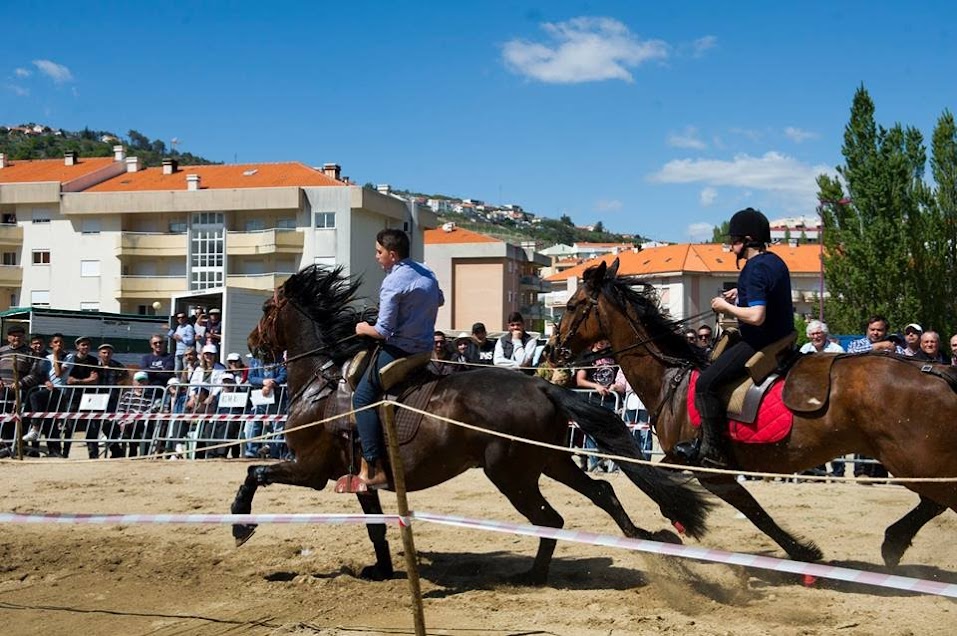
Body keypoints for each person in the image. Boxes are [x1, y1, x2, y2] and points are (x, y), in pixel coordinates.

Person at [680, 208, 794, 468]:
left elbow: (756, 316)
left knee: (706, 384)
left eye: (733, 241)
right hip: (783, 337)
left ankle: (713, 450)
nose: (731, 248)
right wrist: (738, 294)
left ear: (747, 240)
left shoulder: (753, 269)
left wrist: (724, 307)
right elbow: (767, 295)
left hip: (759, 342)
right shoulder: (775, 261)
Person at [351, 228, 443, 489]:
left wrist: (361, 328)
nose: (376, 256)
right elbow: (440, 300)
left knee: (362, 397)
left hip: (401, 350)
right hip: (425, 349)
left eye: (379, 252)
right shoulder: (427, 272)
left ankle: (374, 467)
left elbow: (382, 331)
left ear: (392, 254)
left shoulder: (393, 281)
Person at [574, 339, 618, 472]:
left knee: (612, 434)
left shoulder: (613, 354)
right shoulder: (586, 355)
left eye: (604, 340)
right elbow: (580, 380)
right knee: (593, 433)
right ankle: (595, 465)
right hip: (593, 399)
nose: (602, 343)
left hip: (612, 399)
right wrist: (595, 386)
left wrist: (616, 385)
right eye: (599, 340)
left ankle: (612, 465)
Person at [89, 343, 128, 459]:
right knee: (93, 428)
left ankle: (115, 451)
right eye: (104, 352)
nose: (106, 355)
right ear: (99, 354)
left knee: (111, 426)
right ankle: (93, 455)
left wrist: (118, 384)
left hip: (111, 399)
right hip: (96, 399)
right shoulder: (94, 365)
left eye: (109, 352)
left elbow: (125, 374)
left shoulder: (116, 365)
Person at [246, 353, 287, 459]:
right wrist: (263, 382)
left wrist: (272, 383)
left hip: (277, 398)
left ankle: (274, 453)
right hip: (259, 397)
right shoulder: (255, 360)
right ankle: (251, 452)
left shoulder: (279, 360)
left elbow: (284, 375)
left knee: (278, 427)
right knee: (254, 425)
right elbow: (251, 377)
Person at [0, 325, 33, 456]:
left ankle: (11, 447)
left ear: (24, 337)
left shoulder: (30, 353)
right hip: (2, 390)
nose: (16, 338)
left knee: (15, 419)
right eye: (14, 335)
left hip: (19, 392)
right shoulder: (1, 351)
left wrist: (20, 383)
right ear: (8, 337)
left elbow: (34, 374)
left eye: (19, 336)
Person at [613, 368, 652, 461]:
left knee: (645, 434)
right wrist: (615, 387)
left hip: (644, 403)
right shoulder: (623, 367)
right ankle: (634, 459)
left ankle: (646, 461)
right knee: (632, 433)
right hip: (629, 403)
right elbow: (621, 385)